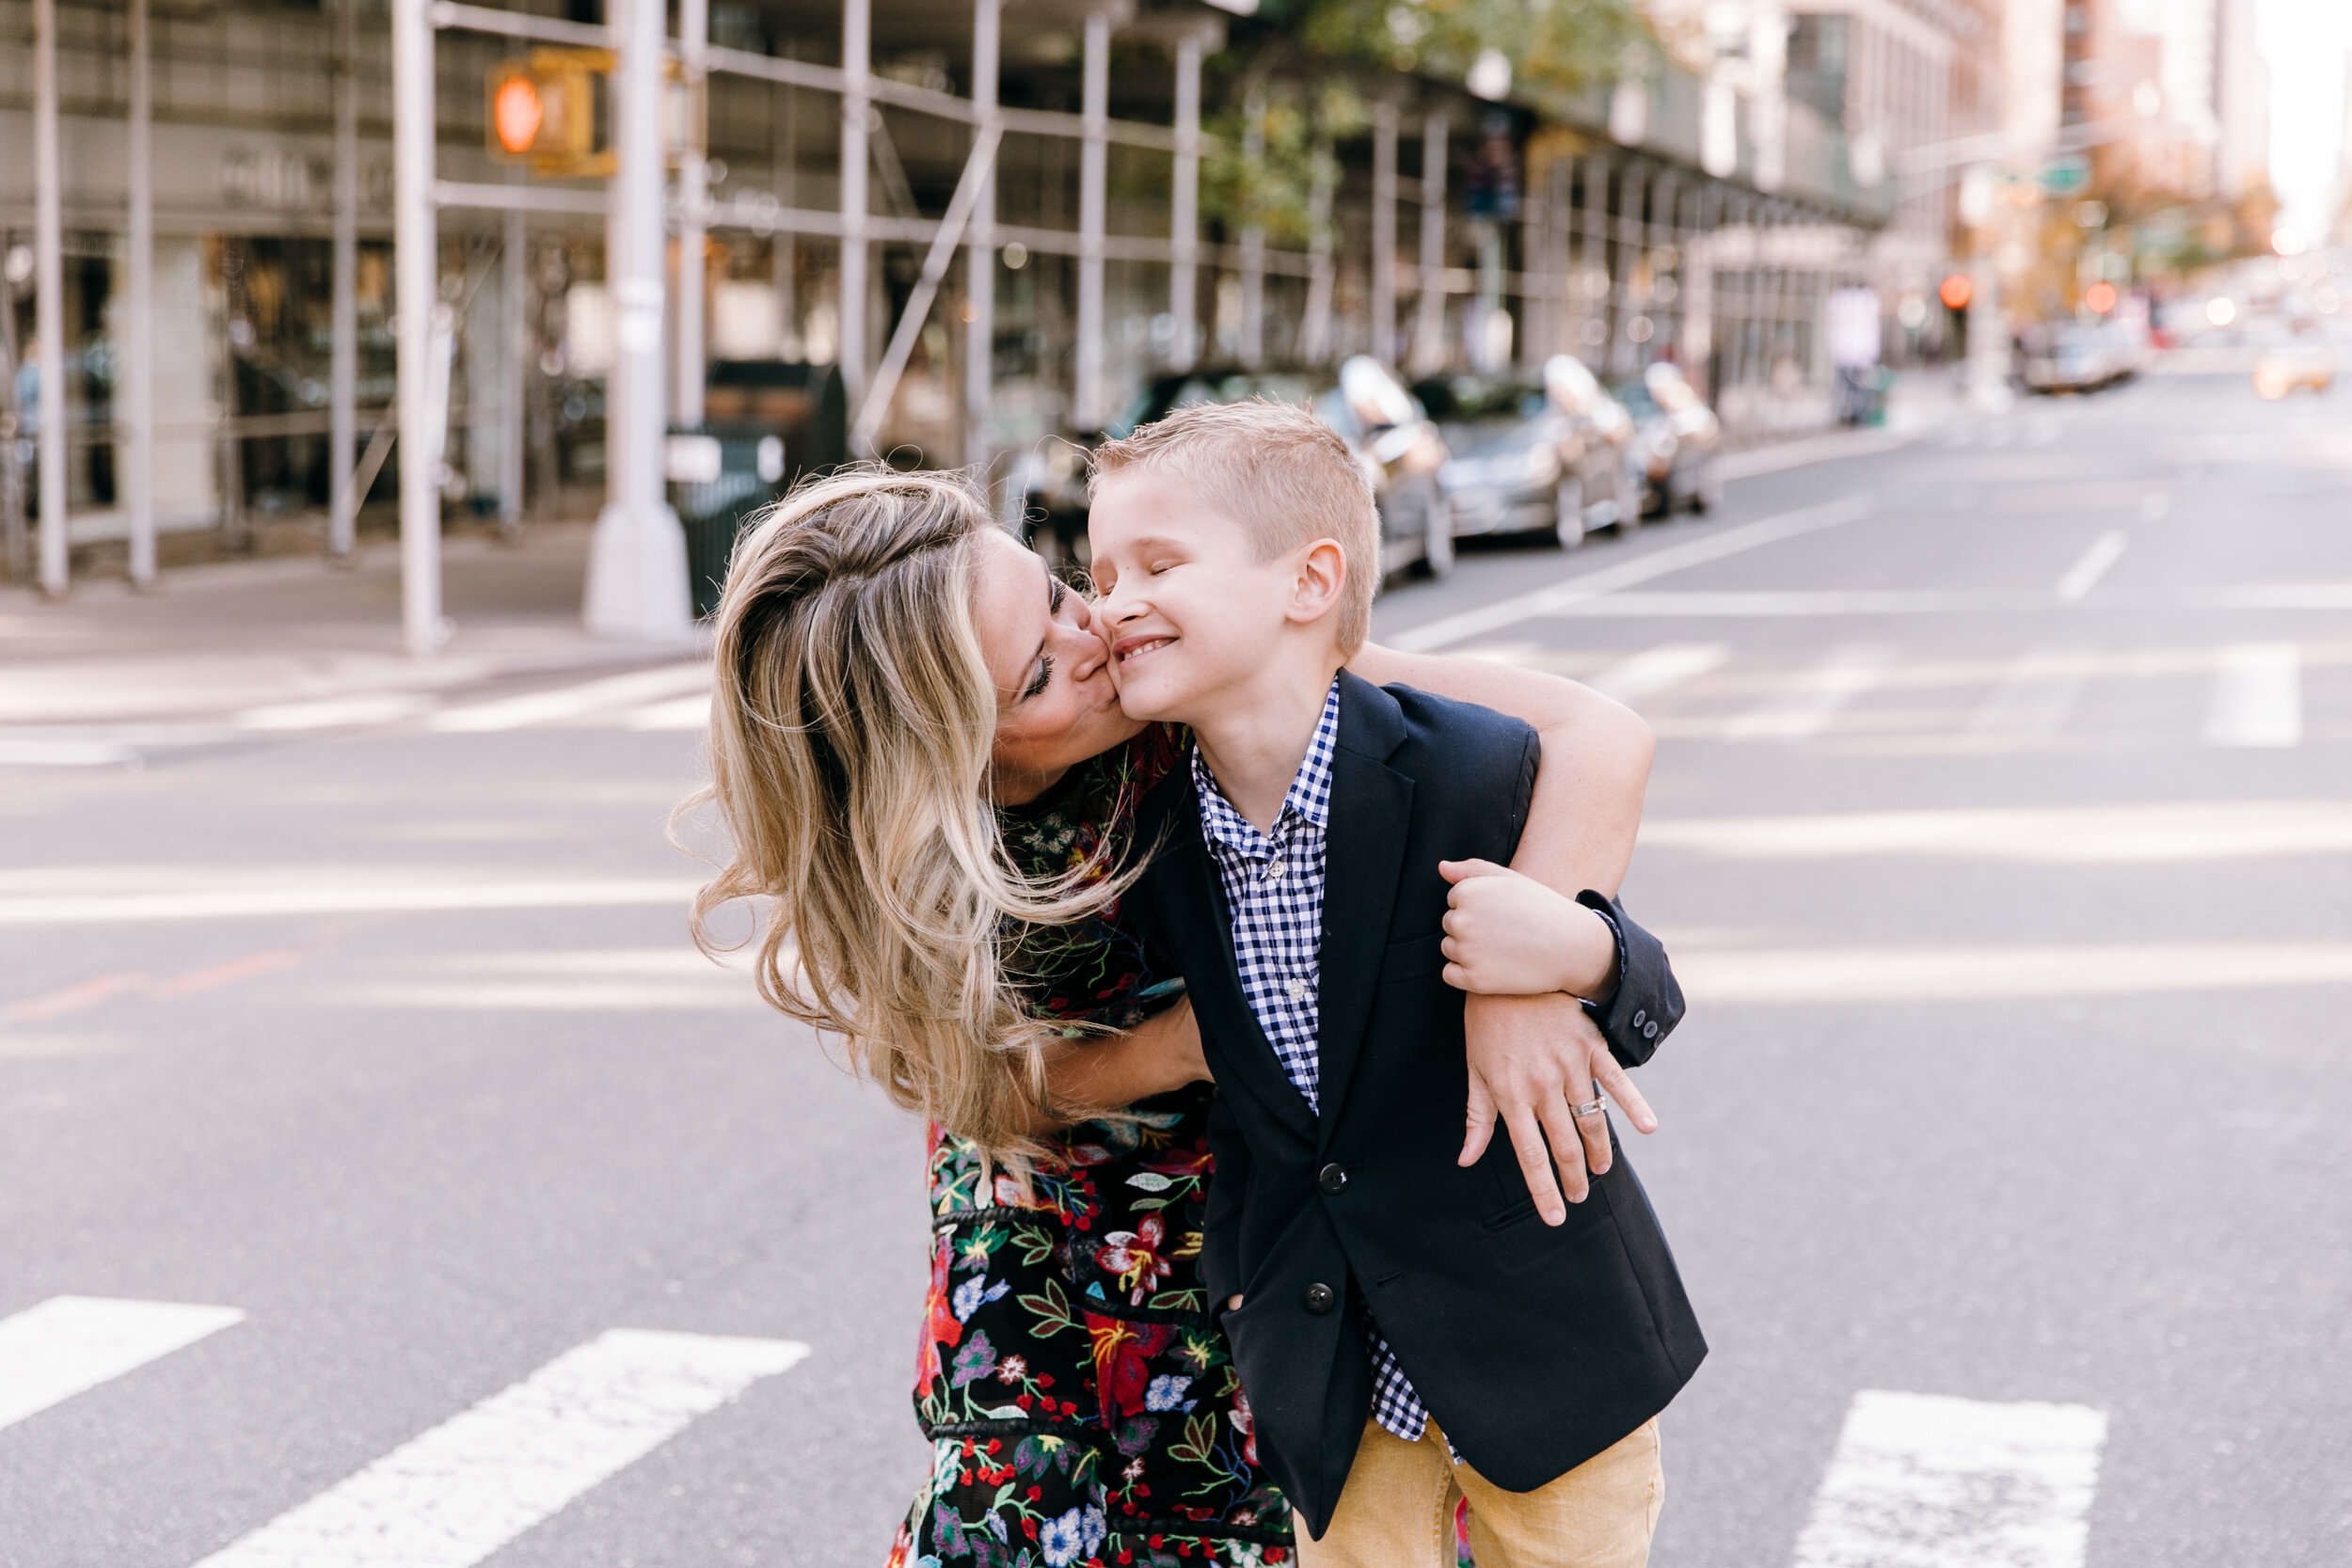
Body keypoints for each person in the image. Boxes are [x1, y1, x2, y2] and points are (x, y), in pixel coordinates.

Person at [691, 465, 1679, 1567]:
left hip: (1277, 1214)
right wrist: (1190, 1040)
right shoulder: (902, 856)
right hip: (1050, 1235)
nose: (1096, 636)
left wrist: (1521, 981)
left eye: (1059, 595)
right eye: (1035, 677)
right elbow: (975, 1088)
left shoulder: (1205, 687)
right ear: (941, 757)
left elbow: (1593, 732)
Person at [1088, 401, 1702, 1568]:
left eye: (1158, 564)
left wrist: (1566, 954)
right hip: (1327, 1349)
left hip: (1543, 1330)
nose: (1112, 601)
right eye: (1100, 569)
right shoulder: (1159, 842)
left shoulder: (1468, 767)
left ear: (1310, 581)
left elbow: (1638, 974)